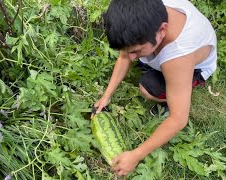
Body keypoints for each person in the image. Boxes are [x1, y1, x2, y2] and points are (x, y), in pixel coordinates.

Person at [91, 0, 217, 176]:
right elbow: (125, 56)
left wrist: (136, 155)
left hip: (193, 67)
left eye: (137, 50)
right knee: (135, 53)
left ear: (162, 30)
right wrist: (106, 96)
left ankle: (176, 95)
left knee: (148, 88)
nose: (131, 57)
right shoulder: (142, 16)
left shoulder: (178, 57)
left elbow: (179, 119)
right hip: (168, 49)